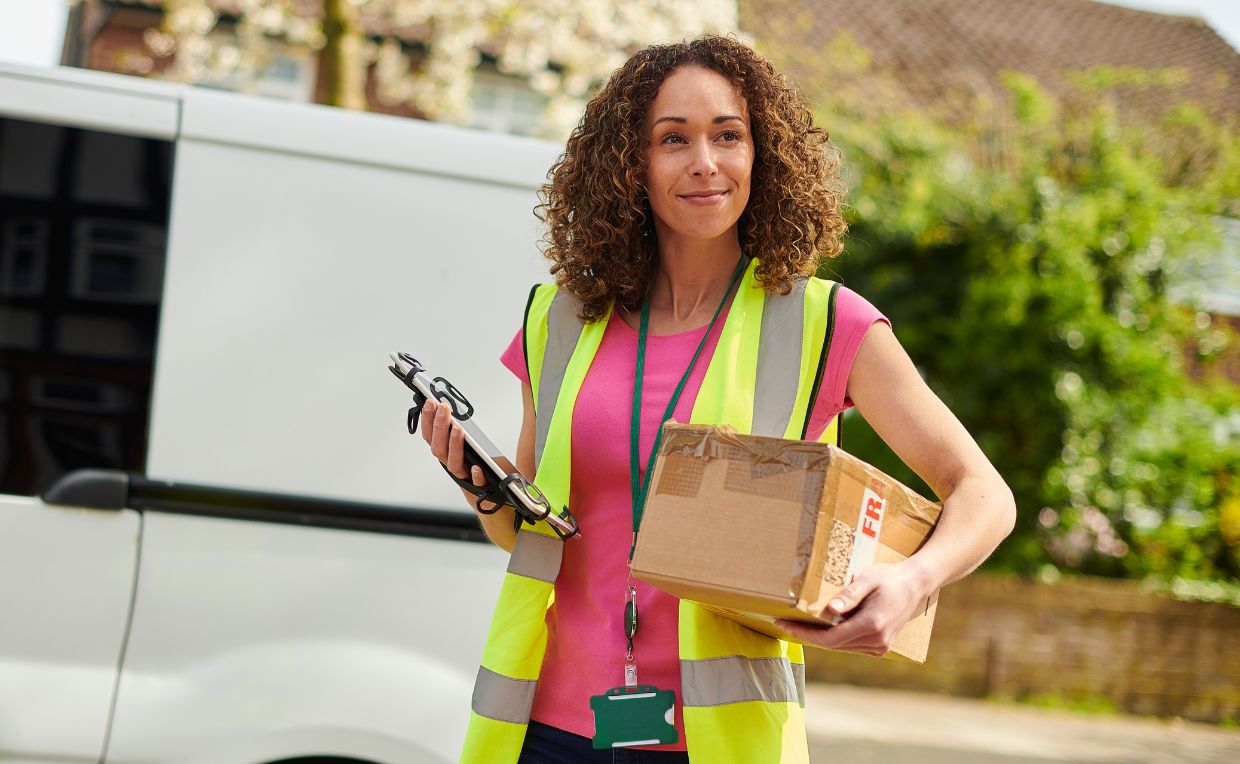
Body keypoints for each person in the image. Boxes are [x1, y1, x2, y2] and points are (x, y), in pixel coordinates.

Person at [420, 35, 1016, 764]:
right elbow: (533, 536)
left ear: (761, 153)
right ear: (630, 165)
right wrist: (484, 491)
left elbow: (985, 493)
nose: (705, 161)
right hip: (545, 728)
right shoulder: (560, 320)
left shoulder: (827, 323)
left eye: (728, 135)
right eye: (673, 139)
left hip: (718, 742)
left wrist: (911, 579)